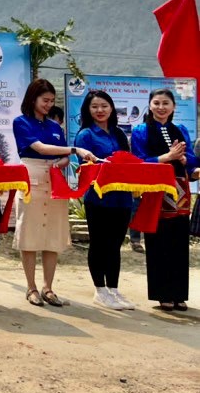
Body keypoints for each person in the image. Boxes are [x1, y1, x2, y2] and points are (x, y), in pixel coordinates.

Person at [13, 78, 96, 307]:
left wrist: (63, 160)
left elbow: (63, 157)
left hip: (55, 181)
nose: (49, 105)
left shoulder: (54, 126)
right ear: (33, 99)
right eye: (45, 100)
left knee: (53, 235)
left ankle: (48, 287)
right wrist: (75, 149)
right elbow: (39, 148)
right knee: (30, 234)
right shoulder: (21, 122)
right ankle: (31, 287)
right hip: (32, 180)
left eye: (52, 101)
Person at [130, 88, 197, 311]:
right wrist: (167, 157)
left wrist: (186, 160)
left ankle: (178, 294)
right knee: (159, 241)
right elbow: (139, 161)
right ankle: (162, 293)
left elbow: (192, 159)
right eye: (156, 103)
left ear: (173, 107)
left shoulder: (181, 129)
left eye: (165, 103)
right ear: (150, 106)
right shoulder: (140, 131)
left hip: (179, 191)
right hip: (156, 191)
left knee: (179, 241)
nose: (161, 107)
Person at [73, 90, 135, 310]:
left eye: (104, 106)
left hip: (122, 197)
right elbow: (86, 167)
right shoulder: (85, 135)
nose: (100, 110)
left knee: (115, 244)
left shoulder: (119, 134)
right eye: (94, 107)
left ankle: (114, 289)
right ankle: (100, 290)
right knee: (99, 243)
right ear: (88, 110)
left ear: (111, 108)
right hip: (98, 198)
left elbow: (129, 161)